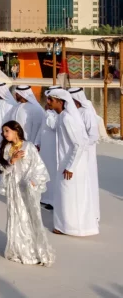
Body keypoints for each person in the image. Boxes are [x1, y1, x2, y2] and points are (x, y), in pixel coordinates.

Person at [0, 121, 55, 266]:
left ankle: (34, 250)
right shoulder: (7, 147)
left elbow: (39, 167)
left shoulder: (29, 147)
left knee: (30, 216)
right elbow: (0, 167)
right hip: (14, 189)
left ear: (16, 131)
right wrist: (12, 160)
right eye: (3, 131)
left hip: (28, 189)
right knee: (17, 216)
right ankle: (18, 249)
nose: (4, 134)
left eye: (7, 131)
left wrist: (34, 181)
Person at [46, 89, 98, 236]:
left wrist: (70, 166)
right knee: (66, 195)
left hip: (71, 164)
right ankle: (65, 225)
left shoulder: (68, 118)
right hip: (66, 162)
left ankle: (70, 227)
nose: (48, 102)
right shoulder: (62, 116)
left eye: (51, 100)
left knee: (69, 194)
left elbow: (79, 144)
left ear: (60, 102)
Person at [69, 88, 101, 223]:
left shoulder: (87, 112)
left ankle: (92, 214)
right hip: (77, 154)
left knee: (88, 181)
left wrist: (81, 146)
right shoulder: (74, 112)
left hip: (86, 153)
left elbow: (93, 135)